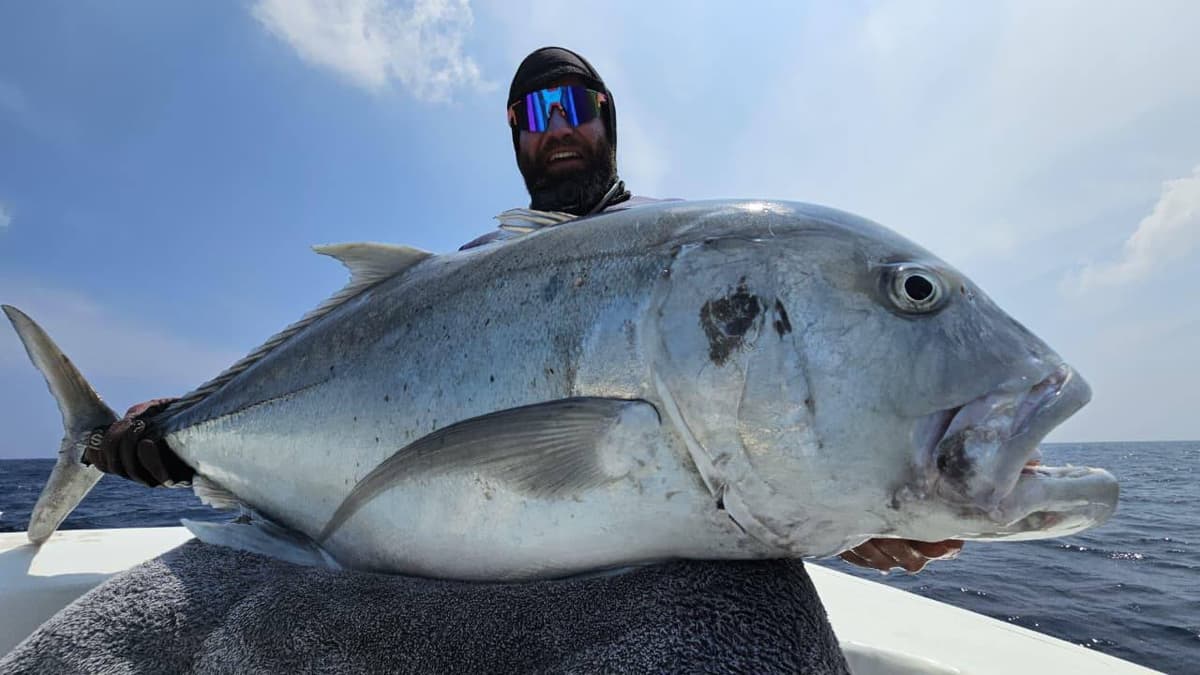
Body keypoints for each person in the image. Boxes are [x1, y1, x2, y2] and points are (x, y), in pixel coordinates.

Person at [83, 46, 961, 575]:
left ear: (607, 119)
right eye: (535, 113)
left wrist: (848, 514)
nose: (558, 127)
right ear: (515, 136)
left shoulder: (700, 259)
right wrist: (181, 427)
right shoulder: (457, 275)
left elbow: (742, 425)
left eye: (576, 105)